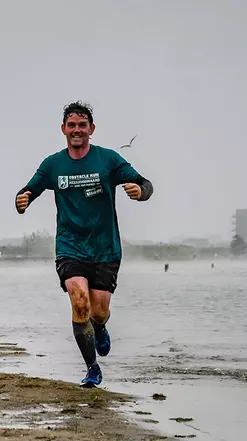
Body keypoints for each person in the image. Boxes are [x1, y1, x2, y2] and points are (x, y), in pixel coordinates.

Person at [15, 102, 154, 387]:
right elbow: (29, 189)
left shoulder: (109, 160)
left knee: (98, 311)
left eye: (82, 125)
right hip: (70, 246)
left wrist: (140, 192)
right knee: (80, 303)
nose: (76, 130)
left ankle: (100, 327)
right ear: (63, 130)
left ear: (91, 129)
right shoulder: (53, 164)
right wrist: (22, 199)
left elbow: (145, 183)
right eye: (71, 125)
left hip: (105, 248)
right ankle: (92, 367)